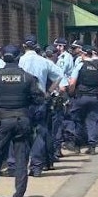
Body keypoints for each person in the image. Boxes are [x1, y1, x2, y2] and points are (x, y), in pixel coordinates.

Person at [0, 45, 44, 197]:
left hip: (1, 122)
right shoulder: (28, 78)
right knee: (21, 162)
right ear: (18, 58)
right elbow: (39, 99)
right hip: (22, 121)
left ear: (3, 56)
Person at [18, 34, 62, 177]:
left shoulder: (19, 60)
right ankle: (36, 166)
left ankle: (19, 165)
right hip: (40, 99)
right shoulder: (44, 61)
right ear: (36, 46)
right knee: (40, 132)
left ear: (24, 46)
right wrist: (49, 92)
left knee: (22, 134)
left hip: (22, 101)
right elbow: (59, 76)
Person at [67, 45, 98, 155]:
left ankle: (78, 145)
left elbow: (72, 82)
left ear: (84, 54)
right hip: (94, 97)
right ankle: (92, 146)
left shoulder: (80, 66)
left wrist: (71, 93)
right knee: (92, 122)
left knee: (78, 121)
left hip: (80, 97)